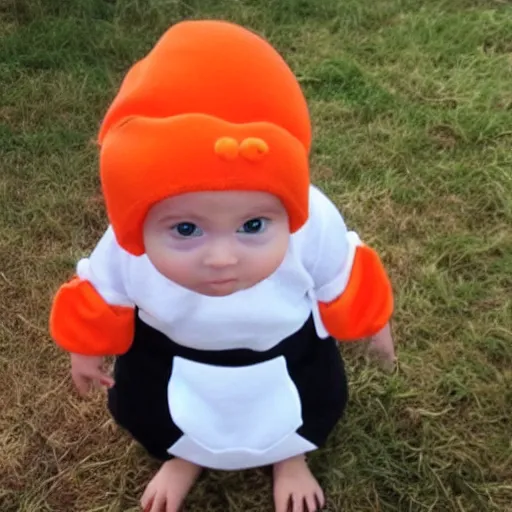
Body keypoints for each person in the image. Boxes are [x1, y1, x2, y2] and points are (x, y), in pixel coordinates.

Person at [49, 20, 396, 512]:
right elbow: (103, 292)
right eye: (186, 230)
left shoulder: (311, 219)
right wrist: (86, 348)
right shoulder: (126, 243)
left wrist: (372, 320)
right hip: (171, 353)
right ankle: (182, 454)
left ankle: (290, 455)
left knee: (309, 399)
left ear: (288, 208)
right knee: (150, 408)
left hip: (285, 350)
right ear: (138, 222)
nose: (222, 258)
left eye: (253, 226)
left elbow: (339, 273)